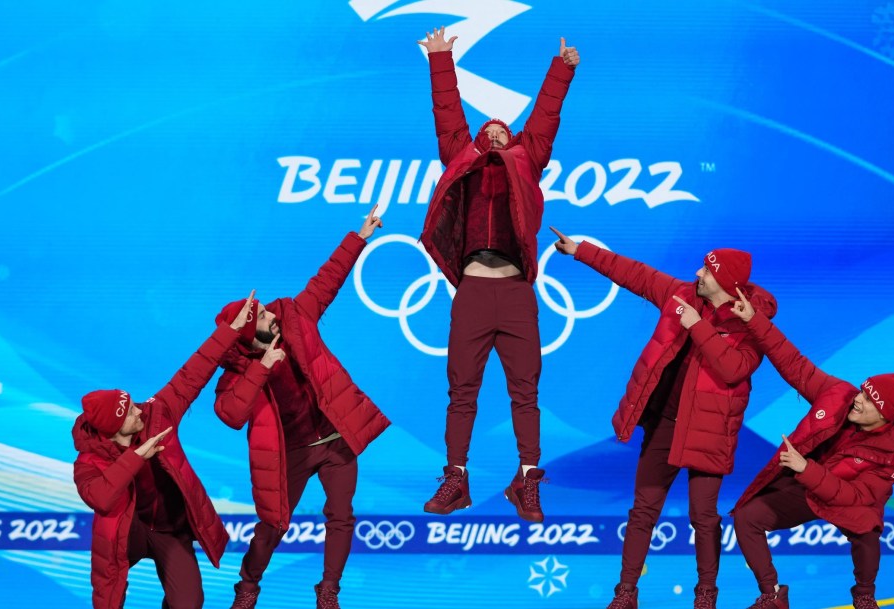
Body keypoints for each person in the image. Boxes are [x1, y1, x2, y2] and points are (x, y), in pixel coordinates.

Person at [551, 227, 777, 609]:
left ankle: (705, 595)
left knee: (703, 517)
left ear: (722, 281)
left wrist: (697, 326)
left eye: (706, 270)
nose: (697, 273)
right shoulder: (682, 296)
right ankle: (625, 593)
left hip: (709, 431)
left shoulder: (751, 325)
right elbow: (636, 274)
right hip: (666, 425)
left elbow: (734, 368)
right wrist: (581, 251)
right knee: (643, 511)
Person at [417, 26, 580, 523]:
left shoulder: (527, 160)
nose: (492, 129)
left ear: (513, 139)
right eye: (484, 128)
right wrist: (441, 58)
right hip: (471, 292)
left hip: (513, 293)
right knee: (461, 389)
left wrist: (562, 70)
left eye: (501, 129)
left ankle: (527, 480)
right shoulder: (460, 159)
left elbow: (546, 118)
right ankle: (456, 479)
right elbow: (447, 115)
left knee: (525, 391)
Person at [215, 209, 391, 609]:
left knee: (341, 514)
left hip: (335, 438)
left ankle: (328, 591)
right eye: (258, 317)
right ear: (247, 335)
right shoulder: (238, 371)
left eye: (262, 309)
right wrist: (262, 369)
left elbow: (327, 280)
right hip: (291, 452)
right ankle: (248, 585)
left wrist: (358, 237)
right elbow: (230, 414)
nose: (268, 314)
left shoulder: (294, 316)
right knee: (274, 524)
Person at [727, 288, 894, 609]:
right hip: (807, 485)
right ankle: (772, 594)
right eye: (863, 390)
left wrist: (807, 470)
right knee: (748, 517)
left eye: (869, 399)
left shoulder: (892, 452)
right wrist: (753, 320)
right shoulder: (839, 395)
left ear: (885, 415)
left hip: (845, 493)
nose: (858, 399)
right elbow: (795, 364)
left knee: (867, 530)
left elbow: (855, 497)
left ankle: (864, 597)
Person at [73, 294, 257, 609]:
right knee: (107, 600)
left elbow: (192, 374)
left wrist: (230, 331)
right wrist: (135, 458)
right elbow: (100, 497)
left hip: (170, 530)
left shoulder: (158, 413)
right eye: (130, 412)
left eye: (131, 403)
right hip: (125, 532)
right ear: (114, 430)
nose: (139, 411)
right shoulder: (88, 462)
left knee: (189, 603)